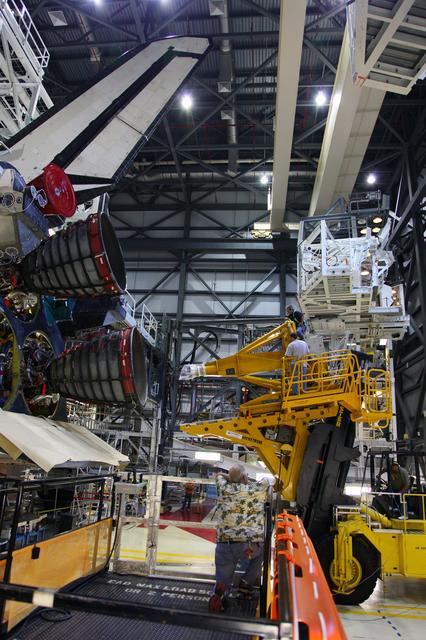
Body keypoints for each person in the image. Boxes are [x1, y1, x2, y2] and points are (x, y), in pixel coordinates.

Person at [208, 466, 270, 613]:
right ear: (244, 477)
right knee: (264, 552)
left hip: (225, 544)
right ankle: (246, 582)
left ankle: (220, 593)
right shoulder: (257, 489)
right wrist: (246, 480)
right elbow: (267, 480)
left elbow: (218, 475)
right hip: (250, 546)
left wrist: (230, 477)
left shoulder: (224, 488)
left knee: (223, 574)